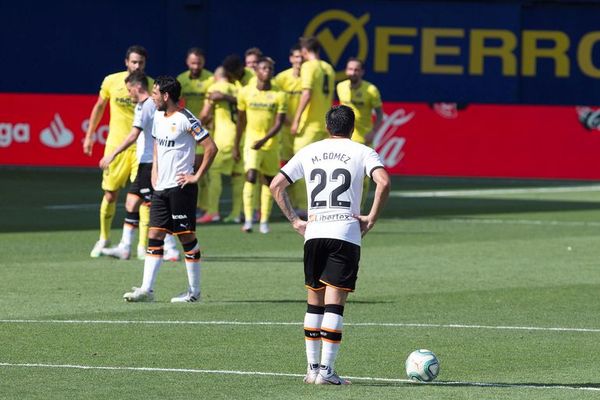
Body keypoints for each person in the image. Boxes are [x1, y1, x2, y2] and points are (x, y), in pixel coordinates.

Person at [270, 105, 391, 385]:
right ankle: (327, 371)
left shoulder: (309, 151)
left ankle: (312, 370)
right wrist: (371, 218)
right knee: (334, 306)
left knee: (314, 304)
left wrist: (295, 222)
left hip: (314, 232)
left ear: (327, 127)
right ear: (352, 127)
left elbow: (277, 185)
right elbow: (383, 182)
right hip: (344, 232)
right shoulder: (363, 151)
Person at [123, 76, 218, 303]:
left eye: (155, 93)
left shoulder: (186, 119)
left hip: (181, 188)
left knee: (186, 237)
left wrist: (196, 175)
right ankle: (147, 289)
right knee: (154, 234)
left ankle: (194, 292)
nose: (152, 97)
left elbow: (211, 147)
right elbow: (156, 144)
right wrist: (155, 171)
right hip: (161, 188)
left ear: (166, 96)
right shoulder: (157, 116)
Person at [98, 71, 180, 261]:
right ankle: (125, 248)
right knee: (132, 202)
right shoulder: (150, 105)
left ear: (137, 87)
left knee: (155, 206)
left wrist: (112, 154)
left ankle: (171, 248)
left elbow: (133, 135)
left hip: (149, 162)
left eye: (129, 90)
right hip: (148, 160)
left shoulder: (146, 106)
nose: (129, 94)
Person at [83, 45, 148, 258]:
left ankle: (142, 245)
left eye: (141, 62)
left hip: (141, 148)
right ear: (126, 62)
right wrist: (90, 135)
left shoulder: (150, 85)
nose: (137, 65)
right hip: (116, 147)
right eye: (134, 62)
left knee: (144, 197)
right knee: (110, 194)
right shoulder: (111, 81)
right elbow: (99, 106)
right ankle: (104, 238)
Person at [233, 57, 286, 234]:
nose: (267, 71)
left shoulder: (280, 94)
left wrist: (263, 140)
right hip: (251, 142)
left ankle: (264, 221)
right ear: (256, 71)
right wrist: (236, 145)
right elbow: (241, 120)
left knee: (270, 181)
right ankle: (248, 220)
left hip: (270, 144)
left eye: (270, 69)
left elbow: (279, 123)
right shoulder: (245, 92)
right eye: (264, 68)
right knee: (250, 176)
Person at [290, 37, 335, 217]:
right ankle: (324, 204)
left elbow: (307, 93)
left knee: (301, 166)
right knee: (323, 167)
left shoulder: (309, 67)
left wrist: (296, 119)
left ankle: (304, 207)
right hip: (324, 125)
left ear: (305, 51)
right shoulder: (329, 68)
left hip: (308, 127)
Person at [197, 67, 244, 224]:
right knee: (238, 176)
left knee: (213, 173)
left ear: (216, 77)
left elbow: (204, 114)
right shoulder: (238, 88)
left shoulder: (215, 88)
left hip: (224, 138)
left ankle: (212, 211)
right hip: (240, 137)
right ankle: (237, 213)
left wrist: (194, 129)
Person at [336, 58, 384, 209]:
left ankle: (359, 208)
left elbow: (380, 114)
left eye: (356, 70)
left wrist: (374, 131)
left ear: (362, 72)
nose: (353, 72)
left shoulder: (371, 90)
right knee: (343, 172)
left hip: (363, 139)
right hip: (345, 137)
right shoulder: (340, 87)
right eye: (350, 69)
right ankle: (342, 205)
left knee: (363, 177)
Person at [176, 48, 214, 221]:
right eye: (192, 63)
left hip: (204, 129)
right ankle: (195, 205)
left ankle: (203, 207)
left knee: (200, 170)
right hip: (187, 130)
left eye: (198, 63)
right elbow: (176, 104)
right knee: (188, 169)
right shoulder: (182, 79)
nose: (196, 66)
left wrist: (196, 127)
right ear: (187, 62)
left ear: (203, 63)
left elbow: (208, 108)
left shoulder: (210, 79)